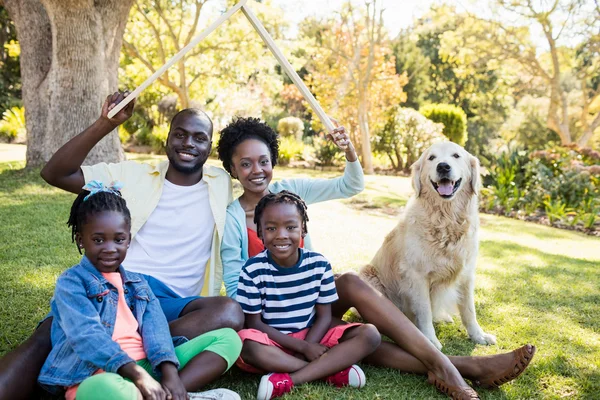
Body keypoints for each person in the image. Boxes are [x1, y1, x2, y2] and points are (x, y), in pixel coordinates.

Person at [217, 117, 536, 400]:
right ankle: (461, 367)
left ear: (273, 160)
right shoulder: (231, 219)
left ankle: (446, 365)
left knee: (352, 283)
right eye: (245, 164)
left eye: (263, 161)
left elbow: (351, 184)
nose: (256, 170)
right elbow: (236, 292)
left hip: (313, 304)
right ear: (232, 169)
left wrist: (349, 151)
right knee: (363, 343)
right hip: (270, 315)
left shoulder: (292, 191)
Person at [0, 92, 243, 400]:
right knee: (45, 336)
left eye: (199, 138)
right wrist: (105, 123)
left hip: (174, 306)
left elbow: (264, 173)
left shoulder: (222, 182)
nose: (188, 144)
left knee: (230, 313)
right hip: (117, 289)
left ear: (210, 147)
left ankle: (137, 371)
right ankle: (112, 358)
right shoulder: (134, 174)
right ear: (168, 137)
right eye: (179, 135)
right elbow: (55, 173)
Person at [38, 182, 242, 400]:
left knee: (229, 339)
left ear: (128, 239)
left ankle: (168, 392)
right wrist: (137, 375)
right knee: (102, 388)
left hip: (146, 368)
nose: (110, 248)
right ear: (80, 240)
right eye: (98, 240)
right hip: (98, 373)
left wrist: (169, 372)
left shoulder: (137, 283)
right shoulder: (71, 283)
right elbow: (86, 335)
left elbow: (157, 329)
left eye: (119, 240)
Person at [236, 191, 381, 400]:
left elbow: (324, 316)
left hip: (312, 334)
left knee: (370, 335)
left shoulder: (318, 264)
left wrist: (309, 344)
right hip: (272, 342)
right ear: (259, 232)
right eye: (271, 228)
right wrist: (303, 348)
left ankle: (290, 379)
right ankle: (329, 372)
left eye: (291, 227)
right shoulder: (252, 270)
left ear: (303, 229)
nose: (281, 235)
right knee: (246, 345)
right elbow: (254, 324)